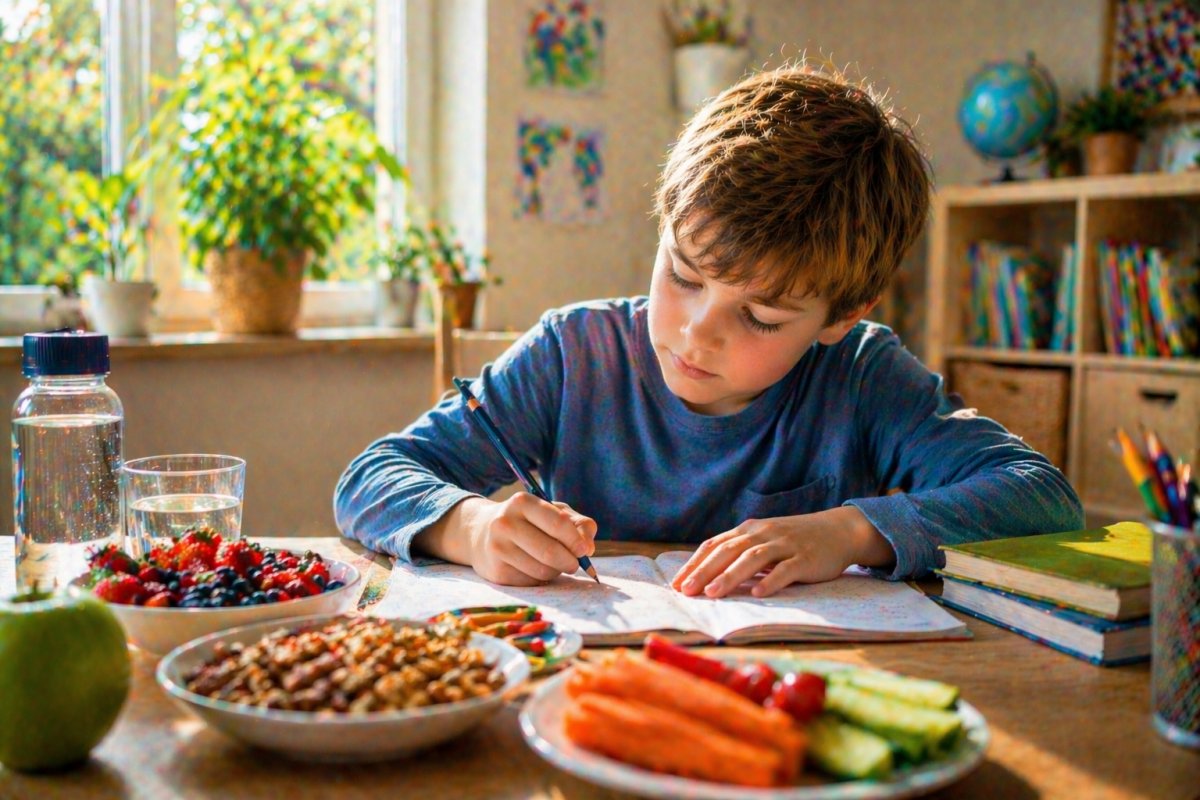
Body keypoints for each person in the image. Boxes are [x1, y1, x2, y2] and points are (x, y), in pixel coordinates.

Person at [334, 64, 1083, 599]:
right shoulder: (573, 354)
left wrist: (850, 532)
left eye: (760, 317)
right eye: (684, 275)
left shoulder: (862, 375)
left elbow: (1043, 500)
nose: (696, 333)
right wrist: (469, 526)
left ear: (841, 315)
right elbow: (370, 477)